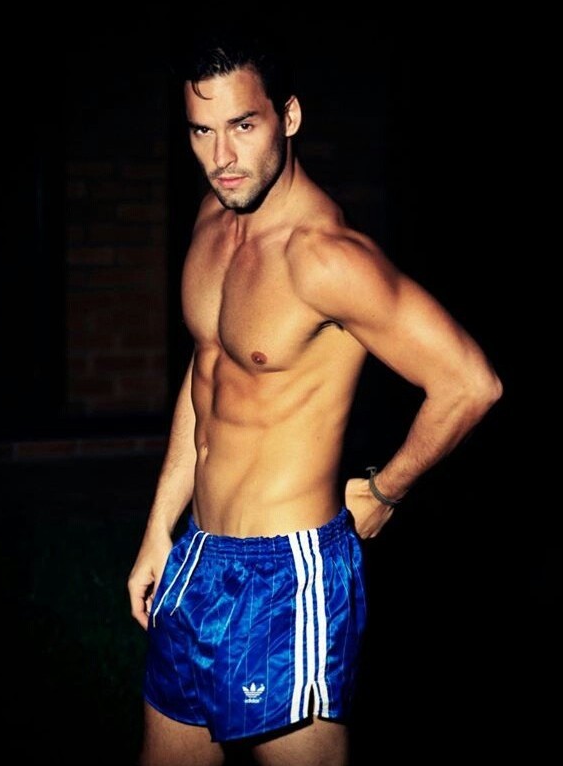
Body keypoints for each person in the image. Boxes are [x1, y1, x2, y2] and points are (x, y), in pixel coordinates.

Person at [127, 29, 503, 766]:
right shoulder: (212, 220)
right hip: (199, 555)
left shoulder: (326, 258)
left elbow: (469, 383)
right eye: (201, 131)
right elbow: (207, 382)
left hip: (286, 576)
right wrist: (158, 529)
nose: (221, 156)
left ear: (288, 117)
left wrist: (385, 491)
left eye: (243, 125)